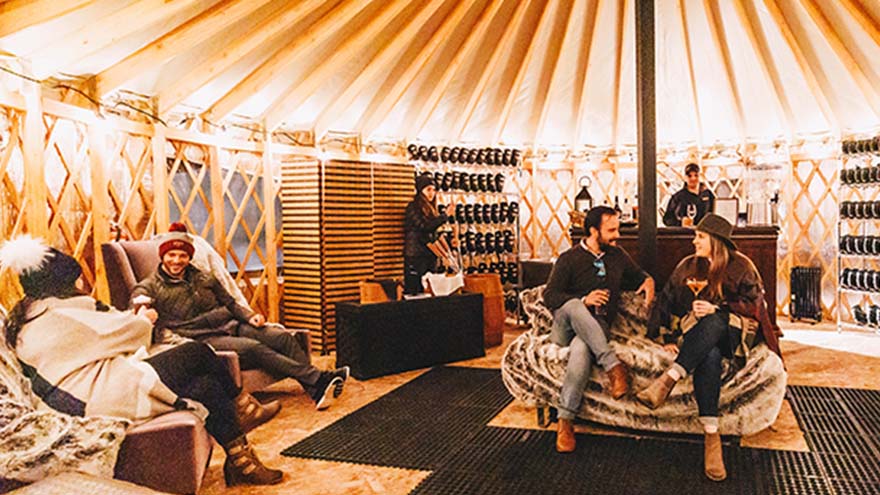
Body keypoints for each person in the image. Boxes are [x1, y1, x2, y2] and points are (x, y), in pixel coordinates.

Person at [0, 235, 284, 486]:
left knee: (206, 386)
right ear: (59, 284)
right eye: (74, 279)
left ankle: (240, 463)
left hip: (82, 392)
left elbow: (105, 333)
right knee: (198, 353)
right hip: (94, 396)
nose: (79, 283)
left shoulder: (29, 313)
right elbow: (129, 333)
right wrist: (145, 319)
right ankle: (243, 408)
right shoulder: (63, 315)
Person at [132, 223, 349, 411]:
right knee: (253, 347)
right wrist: (142, 312)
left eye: (182, 255)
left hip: (230, 324)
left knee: (280, 337)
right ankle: (319, 379)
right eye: (171, 255)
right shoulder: (151, 285)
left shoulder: (203, 277)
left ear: (189, 257)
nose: (177, 260)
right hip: (202, 336)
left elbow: (230, 302)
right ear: (163, 256)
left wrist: (250, 315)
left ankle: (316, 389)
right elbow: (137, 304)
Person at [639, 214, 782, 481]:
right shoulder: (688, 266)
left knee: (715, 318)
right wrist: (668, 337)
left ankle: (669, 379)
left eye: (700, 237)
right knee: (710, 355)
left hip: (734, 334)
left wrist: (719, 309)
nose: (694, 241)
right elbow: (667, 300)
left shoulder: (742, 266)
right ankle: (711, 437)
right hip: (698, 336)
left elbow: (755, 307)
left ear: (715, 241)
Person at [543, 206, 655, 453]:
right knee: (573, 304)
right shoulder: (569, 259)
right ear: (594, 231)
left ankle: (565, 422)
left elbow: (639, 275)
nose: (618, 235)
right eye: (611, 230)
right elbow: (549, 296)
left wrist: (648, 281)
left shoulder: (617, 255)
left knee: (582, 350)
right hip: (565, 326)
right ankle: (613, 366)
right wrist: (584, 300)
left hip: (596, 329)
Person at [404, 173, 450, 294]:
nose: (432, 193)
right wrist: (444, 216)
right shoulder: (412, 207)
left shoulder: (431, 208)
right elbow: (424, 227)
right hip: (416, 256)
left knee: (430, 290)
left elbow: (433, 232)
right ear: (420, 191)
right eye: (428, 189)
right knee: (416, 291)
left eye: (434, 190)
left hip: (429, 255)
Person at [663, 162, 715, 227]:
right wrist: (680, 223)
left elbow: (715, 214)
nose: (693, 178)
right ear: (685, 177)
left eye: (696, 175)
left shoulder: (708, 195)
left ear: (700, 176)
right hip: (684, 234)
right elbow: (667, 219)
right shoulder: (678, 197)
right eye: (689, 176)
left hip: (704, 232)